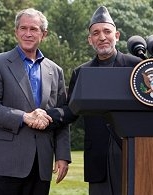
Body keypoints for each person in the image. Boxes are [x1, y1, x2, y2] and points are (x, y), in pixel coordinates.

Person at [39, 5, 142, 195]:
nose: (102, 37)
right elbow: (71, 110)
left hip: (132, 151)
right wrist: (45, 116)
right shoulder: (81, 72)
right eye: (96, 33)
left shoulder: (136, 66)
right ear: (89, 40)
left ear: (117, 35)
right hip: (98, 156)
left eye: (106, 31)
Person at [0, 8, 71, 195]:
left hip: (41, 164)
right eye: (23, 28)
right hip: (6, 163)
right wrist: (24, 117)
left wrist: (62, 156)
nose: (28, 34)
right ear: (16, 32)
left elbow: (62, 115)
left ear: (43, 34)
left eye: (34, 29)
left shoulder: (55, 70)